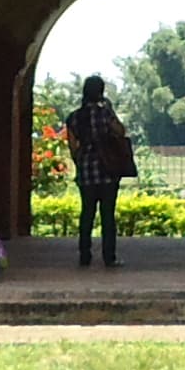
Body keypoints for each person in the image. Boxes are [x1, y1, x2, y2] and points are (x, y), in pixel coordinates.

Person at [65, 75, 134, 269]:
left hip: (87, 171)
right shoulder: (105, 114)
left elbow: (72, 147)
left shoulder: (74, 117)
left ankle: (84, 255)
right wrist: (110, 109)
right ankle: (109, 257)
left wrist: (80, 164)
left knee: (87, 213)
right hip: (108, 170)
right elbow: (120, 131)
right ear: (101, 92)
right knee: (107, 215)